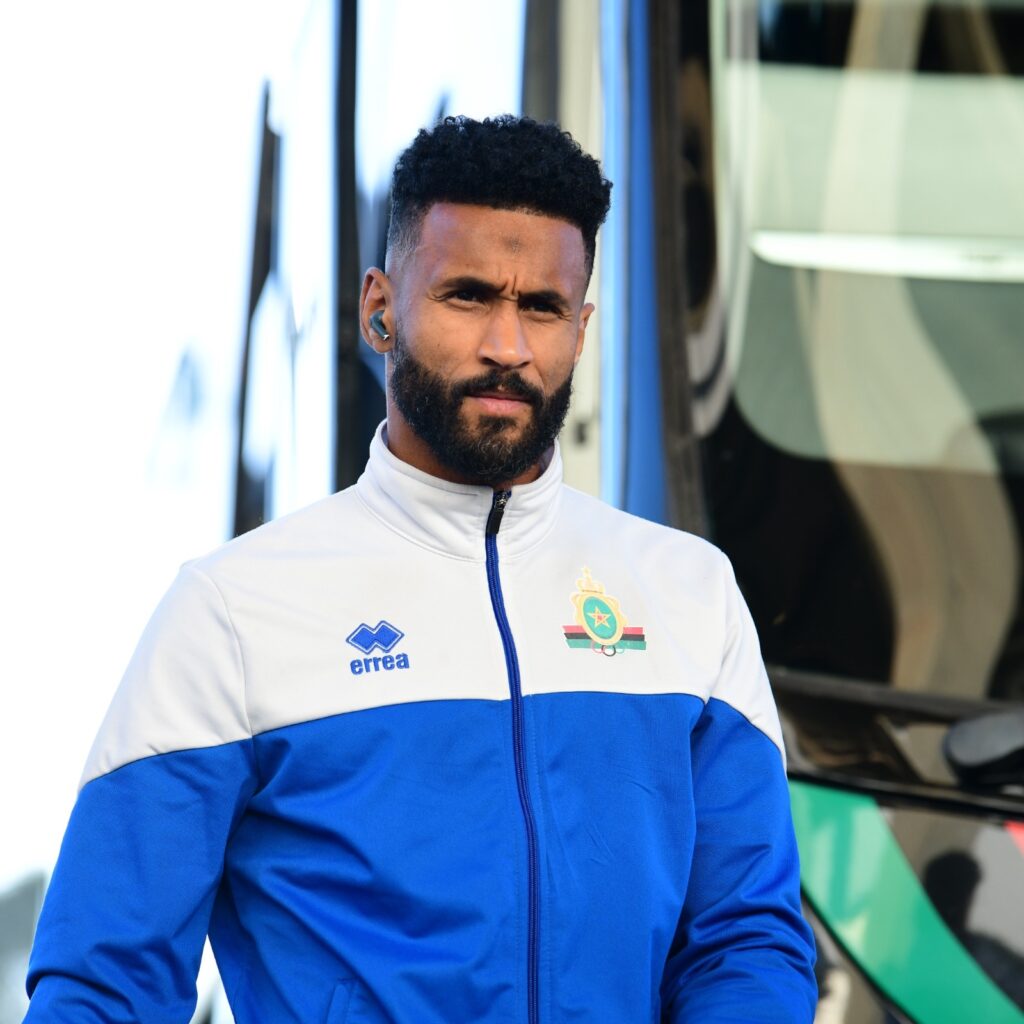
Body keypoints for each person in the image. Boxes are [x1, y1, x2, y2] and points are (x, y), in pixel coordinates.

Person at [25, 114, 816, 1022]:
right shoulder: (231, 611)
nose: (508, 347)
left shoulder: (690, 593)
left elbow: (745, 941)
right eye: (467, 296)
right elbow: (103, 982)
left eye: (543, 308)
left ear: (582, 327)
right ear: (380, 310)